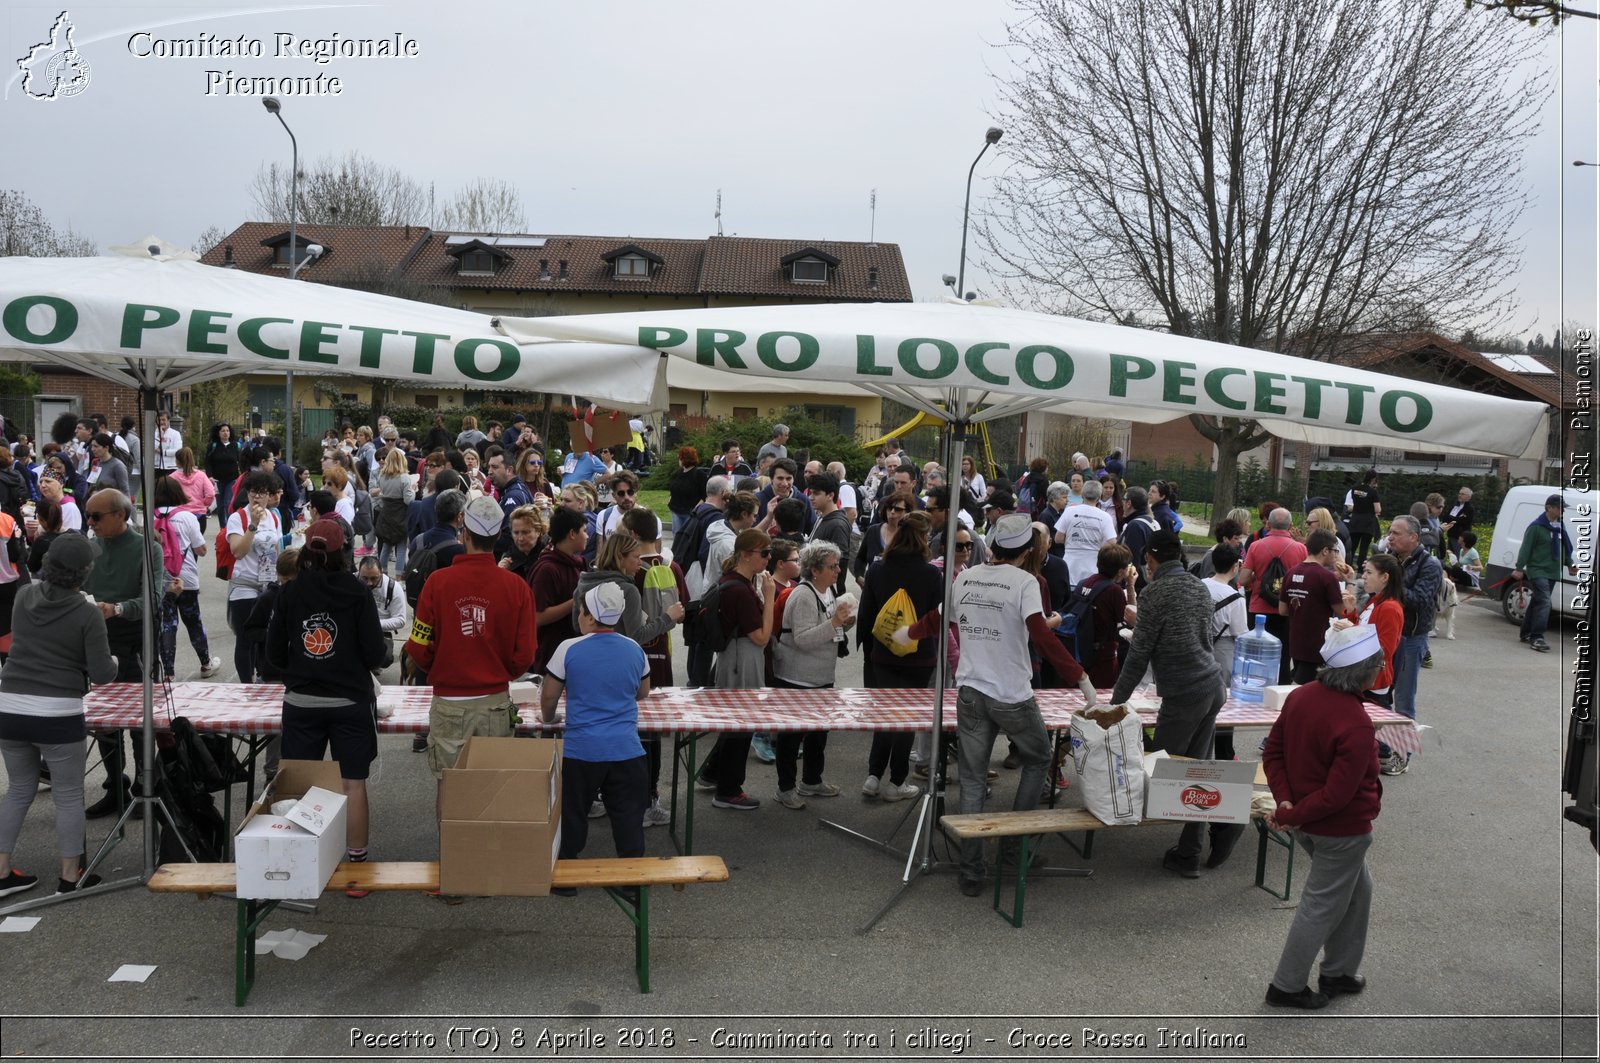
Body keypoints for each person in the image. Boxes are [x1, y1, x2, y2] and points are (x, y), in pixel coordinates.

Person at [914, 513, 1092, 896]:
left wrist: (905, 632)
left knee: (974, 780)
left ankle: (971, 869)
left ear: (991, 547)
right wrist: (1080, 677)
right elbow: (1042, 638)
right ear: (1028, 550)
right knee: (1039, 759)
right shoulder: (1025, 582)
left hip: (970, 691)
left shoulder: (967, 576)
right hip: (1011, 692)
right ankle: (1013, 848)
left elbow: (937, 620)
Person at [1261, 624, 1384, 1010]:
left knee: (1358, 892)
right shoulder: (1356, 721)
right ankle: (1287, 985)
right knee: (1320, 906)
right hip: (1340, 829)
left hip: (1311, 823)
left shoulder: (1301, 696)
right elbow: (1338, 795)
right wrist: (1292, 812)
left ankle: (1339, 971)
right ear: (1365, 672)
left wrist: (1285, 805)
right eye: (1378, 665)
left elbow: (1273, 752)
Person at [265, 520, 386, 897]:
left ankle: (297, 867)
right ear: (342, 550)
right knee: (353, 783)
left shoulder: (290, 591)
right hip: (350, 699)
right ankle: (356, 867)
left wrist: (301, 667)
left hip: (302, 700)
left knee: (300, 784)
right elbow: (376, 653)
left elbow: (271, 654)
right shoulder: (356, 591)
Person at [1109, 530, 1239, 876]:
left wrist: (1114, 704)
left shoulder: (1155, 594)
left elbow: (1138, 655)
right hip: (1211, 685)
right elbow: (1203, 638)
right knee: (1196, 769)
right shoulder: (1198, 586)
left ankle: (1224, 824)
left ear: (1150, 560)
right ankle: (1188, 853)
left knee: (1160, 768)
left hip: (1186, 692)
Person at [0, 534, 118, 896]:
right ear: (83, 573)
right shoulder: (86, 613)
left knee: (18, 789)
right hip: (57, 711)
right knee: (68, 795)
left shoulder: (24, 596)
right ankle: (70, 876)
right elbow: (101, 673)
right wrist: (112, 661)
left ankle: (1, 871)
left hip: (10, 704)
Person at [406, 497, 538, 820]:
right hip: (494, 701)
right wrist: (501, 669)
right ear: (497, 537)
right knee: (491, 790)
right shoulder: (517, 587)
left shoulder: (437, 583)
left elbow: (418, 644)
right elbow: (525, 656)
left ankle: (452, 861)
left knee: (449, 788)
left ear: (463, 533)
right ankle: (486, 860)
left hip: (449, 701)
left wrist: (440, 665)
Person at [541, 582, 651, 885]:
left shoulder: (569, 648)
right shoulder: (634, 649)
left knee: (573, 813)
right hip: (627, 750)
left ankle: (567, 877)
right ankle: (632, 881)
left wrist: (548, 718)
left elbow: (549, 695)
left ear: (588, 617)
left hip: (582, 750)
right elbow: (643, 692)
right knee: (628, 817)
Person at [81, 490, 163, 818]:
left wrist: (116, 609)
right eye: (87, 515)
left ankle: (144, 786)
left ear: (120, 515)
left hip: (135, 641)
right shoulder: (90, 548)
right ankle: (115, 786)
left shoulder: (148, 548)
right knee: (104, 723)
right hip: (98, 641)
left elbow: (154, 600)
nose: (90, 522)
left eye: (96, 516)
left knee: (141, 722)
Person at [856, 511, 943, 802]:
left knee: (884, 714)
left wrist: (868, 649)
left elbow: (866, 611)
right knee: (906, 718)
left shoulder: (878, 569)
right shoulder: (932, 573)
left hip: (882, 652)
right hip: (919, 654)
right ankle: (896, 781)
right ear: (923, 538)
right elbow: (937, 616)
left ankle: (872, 775)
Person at [770, 540, 853, 809]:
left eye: (837, 565)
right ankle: (785, 788)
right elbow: (803, 639)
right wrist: (835, 623)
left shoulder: (827, 591)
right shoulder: (804, 595)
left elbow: (827, 630)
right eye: (832, 566)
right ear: (815, 570)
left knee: (819, 733)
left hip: (819, 677)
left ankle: (811, 780)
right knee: (791, 736)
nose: (838, 571)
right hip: (797, 678)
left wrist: (842, 626)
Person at [152, 475, 221, 681]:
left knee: (167, 623)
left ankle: (169, 672)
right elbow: (201, 550)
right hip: (187, 577)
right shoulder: (187, 517)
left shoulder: (150, 517)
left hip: (161, 579)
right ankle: (205, 663)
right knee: (194, 621)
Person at [1385, 514, 1441, 752]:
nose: (1390, 537)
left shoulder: (1430, 565)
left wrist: (1391, 584)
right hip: (1387, 635)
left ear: (1414, 537)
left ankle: (1402, 754)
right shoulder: (1391, 559)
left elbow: (1419, 599)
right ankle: (1384, 749)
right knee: (1381, 695)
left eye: (1396, 533)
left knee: (1404, 701)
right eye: (1390, 532)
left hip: (1411, 638)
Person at [225, 471, 284, 684]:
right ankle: (245, 685)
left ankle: (264, 679)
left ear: (270, 496)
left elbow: (276, 549)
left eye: (261, 493)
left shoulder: (274, 517)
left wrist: (281, 579)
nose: (256, 497)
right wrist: (253, 525)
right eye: (252, 493)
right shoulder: (238, 517)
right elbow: (238, 551)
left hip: (268, 584)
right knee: (246, 638)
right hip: (244, 584)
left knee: (266, 637)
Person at [1240, 508, 1308, 685]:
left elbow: (1243, 578)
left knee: (1257, 655)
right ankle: (1280, 692)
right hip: (1287, 610)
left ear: (1268, 524)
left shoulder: (1256, 546)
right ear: (1291, 525)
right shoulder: (1300, 549)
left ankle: (1255, 688)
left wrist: (1258, 578)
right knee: (1284, 655)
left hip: (1259, 608)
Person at [1282, 529, 1353, 685]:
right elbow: (1343, 611)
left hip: (1296, 641)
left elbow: (1282, 610)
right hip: (1317, 645)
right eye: (1335, 551)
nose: (1336, 555)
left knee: (1300, 684)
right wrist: (1350, 582)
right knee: (1306, 690)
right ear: (1325, 551)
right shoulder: (1326, 577)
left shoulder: (1291, 572)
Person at [1512, 493, 1576, 654]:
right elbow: (1526, 548)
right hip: (1538, 570)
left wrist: (1570, 564)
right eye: (1559, 507)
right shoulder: (1536, 527)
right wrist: (1519, 568)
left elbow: (1564, 548)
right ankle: (1537, 637)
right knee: (1545, 602)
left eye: (1563, 508)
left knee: (1537, 602)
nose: (1563, 510)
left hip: (1553, 571)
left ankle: (1525, 632)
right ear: (1549, 507)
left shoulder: (1560, 526)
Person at [530, 506, 590, 676]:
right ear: (572, 534)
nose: (587, 536)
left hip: (575, 651)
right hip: (552, 654)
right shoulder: (547, 569)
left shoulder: (580, 563)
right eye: (584, 531)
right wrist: (576, 601)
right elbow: (537, 617)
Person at [1054, 479, 1118, 588]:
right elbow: (1112, 542)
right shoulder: (1105, 516)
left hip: (1070, 565)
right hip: (1092, 567)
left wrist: (1072, 541)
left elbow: (1058, 538)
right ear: (1099, 496)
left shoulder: (1069, 511)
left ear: (1082, 494)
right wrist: (1097, 545)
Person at [357, 555, 407, 677]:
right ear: (358, 573)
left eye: (374, 578)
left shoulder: (393, 587)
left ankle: (374, 664)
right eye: (364, 578)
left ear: (382, 572)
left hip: (380, 632)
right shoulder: (350, 582)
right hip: (354, 629)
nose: (369, 583)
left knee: (385, 658)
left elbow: (401, 620)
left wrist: (373, 624)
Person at [853, 489, 913, 586]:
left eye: (898, 509)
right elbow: (860, 558)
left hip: (898, 594)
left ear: (907, 512)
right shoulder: (873, 530)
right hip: (872, 590)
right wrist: (859, 576)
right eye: (889, 508)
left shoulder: (910, 535)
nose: (892, 512)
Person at [372, 446, 415, 576]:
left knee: (386, 545)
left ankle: (382, 571)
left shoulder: (382, 477)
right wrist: (412, 489)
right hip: (400, 513)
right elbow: (408, 500)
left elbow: (381, 494)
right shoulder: (404, 478)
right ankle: (399, 574)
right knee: (401, 547)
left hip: (387, 512)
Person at [170, 447, 215, 534]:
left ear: (177, 461)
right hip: (199, 515)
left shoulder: (172, 477)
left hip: (179, 516)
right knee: (198, 545)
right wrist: (204, 503)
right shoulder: (201, 475)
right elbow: (210, 493)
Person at [1347, 469, 1382, 569]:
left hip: (1355, 520)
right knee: (1364, 547)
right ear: (1374, 479)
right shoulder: (1373, 492)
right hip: (1368, 522)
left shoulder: (1354, 489)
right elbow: (1377, 509)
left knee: (1352, 546)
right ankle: (1361, 569)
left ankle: (1348, 566)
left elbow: (1352, 505)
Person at [152, 411, 182, 478]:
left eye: (163, 420)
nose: (161, 422)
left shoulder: (175, 434)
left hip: (171, 467)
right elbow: (152, 448)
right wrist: (159, 436)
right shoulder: (154, 434)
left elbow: (177, 451)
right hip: (157, 467)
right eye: (159, 420)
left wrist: (163, 452)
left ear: (168, 420)